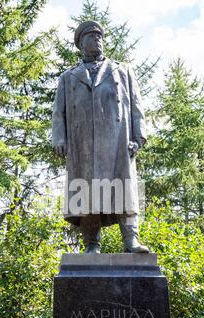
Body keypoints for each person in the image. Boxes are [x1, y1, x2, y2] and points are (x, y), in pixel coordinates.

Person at [52, 20, 149, 254]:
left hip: (118, 141)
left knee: (124, 188)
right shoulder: (69, 77)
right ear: (81, 43)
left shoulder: (122, 70)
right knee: (86, 191)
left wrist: (139, 136)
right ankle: (92, 245)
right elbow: (58, 111)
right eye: (90, 36)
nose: (97, 39)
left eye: (99, 36)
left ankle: (131, 241)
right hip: (82, 143)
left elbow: (136, 106)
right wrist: (59, 138)